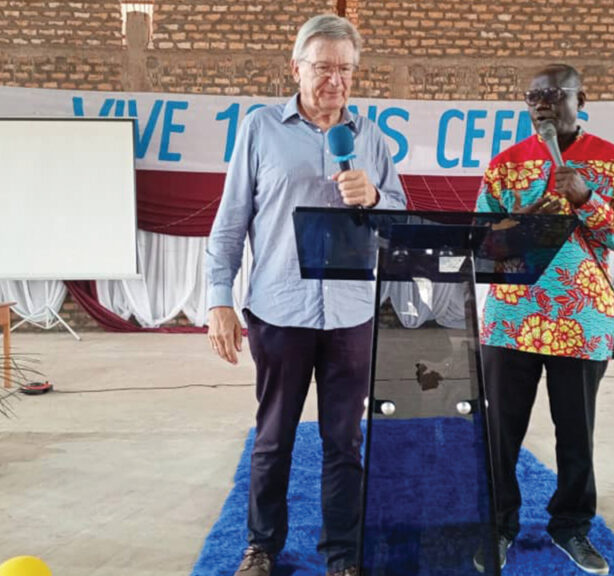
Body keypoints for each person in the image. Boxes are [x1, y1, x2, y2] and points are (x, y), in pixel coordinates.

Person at [205, 13, 407, 576]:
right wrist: (219, 299)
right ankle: (261, 546)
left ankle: (342, 555)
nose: (334, 81)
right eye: (322, 68)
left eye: (345, 69)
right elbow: (230, 224)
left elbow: (399, 216)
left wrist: (374, 198)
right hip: (280, 309)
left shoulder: (371, 138)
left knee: (345, 441)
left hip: (350, 315)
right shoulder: (260, 129)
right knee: (273, 438)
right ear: (296, 68)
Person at [473, 63, 614, 575]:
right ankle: (498, 525)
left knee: (575, 433)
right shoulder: (506, 164)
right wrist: (523, 217)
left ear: (579, 99)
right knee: (499, 433)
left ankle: (571, 526)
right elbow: (482, 241)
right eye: (533, 96)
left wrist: (587, 199)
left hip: (581, 319)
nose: (542, 103)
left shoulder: (613, 161)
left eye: (553, 93)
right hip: (512, 318)